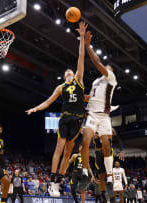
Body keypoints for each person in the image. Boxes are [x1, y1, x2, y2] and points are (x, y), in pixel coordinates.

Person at [25, 21, 88, 196]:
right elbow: (48, 102)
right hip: (66, 117)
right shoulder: (60, 88)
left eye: (71, 71)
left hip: (78, 120)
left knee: (68, 152)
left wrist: (82, 37)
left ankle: (58, 181)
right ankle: (52, 179)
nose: (69, 72)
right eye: (66, 72)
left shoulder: (79, 80)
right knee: (59, 148)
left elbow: (81, 57)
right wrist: (35, 109)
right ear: (64, 76)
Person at [79, 30, 118, 196]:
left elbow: (96, 61)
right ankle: (85, 175)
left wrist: (87, 45)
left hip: (104, 116)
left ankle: (110, 179)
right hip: (92, 114)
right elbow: (91, 97)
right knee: (85, 140)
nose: (104, 67)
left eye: (106, 67)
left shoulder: (111, 77)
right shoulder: (96, 82)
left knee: (106, 146)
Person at [93, 128, 124, 201]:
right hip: (98, 152)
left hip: (108, 151)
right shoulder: (94, 128)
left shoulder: (111, 129)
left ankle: (111, 193)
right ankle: (103, 195)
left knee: (109, 172)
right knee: (101, 176)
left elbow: (118, 139)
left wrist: (121, 150)